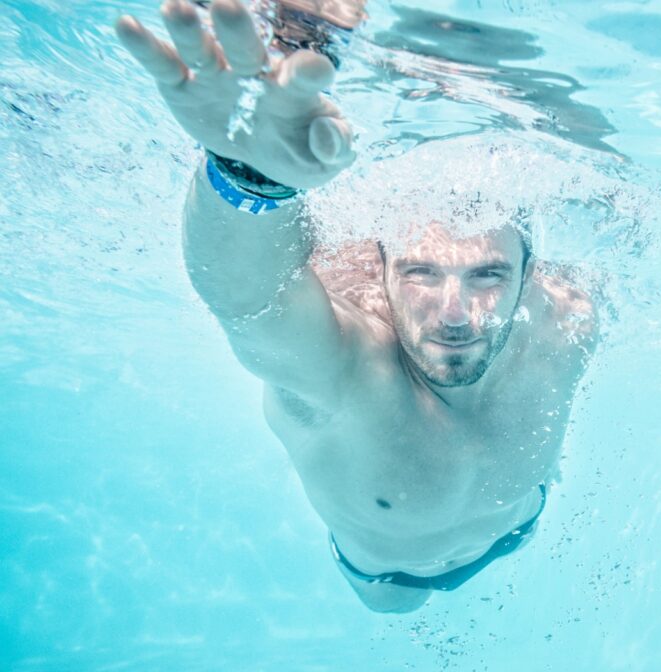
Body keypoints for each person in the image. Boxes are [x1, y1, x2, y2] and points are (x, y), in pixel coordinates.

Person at [115, 0, 596, 613]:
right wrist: (249, 178)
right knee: (396, 616)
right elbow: (249, 299)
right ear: (383, 269)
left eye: (488, 275)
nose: (455, 312)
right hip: (392, 579)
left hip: (522, 523)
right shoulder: (346, 371)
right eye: (422, 271)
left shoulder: (571, 319)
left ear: (530, 277)